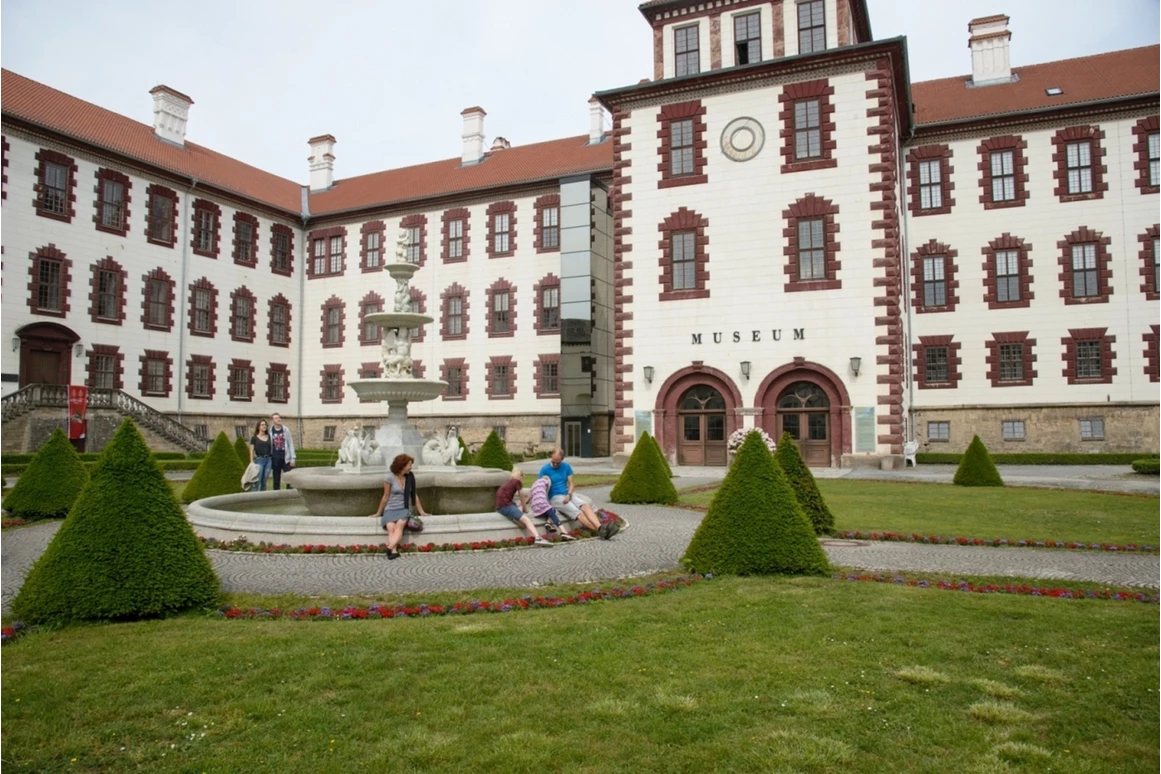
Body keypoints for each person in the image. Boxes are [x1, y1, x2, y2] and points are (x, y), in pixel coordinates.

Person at [372, 454, 430, 560]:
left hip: (404, 509)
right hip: (390, 509)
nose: (411, 467)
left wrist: (421, 512)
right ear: (402, 465)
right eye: (409, 465)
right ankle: (393, 551)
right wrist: (378, 513)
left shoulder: (410, 477)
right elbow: (385, 496)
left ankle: (389, 547)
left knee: (399, 526)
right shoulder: (389, 477)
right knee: (391, 528)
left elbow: (414, 496)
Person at [538, 448, 604, 534]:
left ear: (562, 459)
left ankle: (600, 526)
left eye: (557, 463)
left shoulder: (566, 467)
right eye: (553, 461)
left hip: (567, 493)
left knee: (585, 506)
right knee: (578, 513)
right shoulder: (545, 469)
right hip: (555, 497)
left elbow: (571, 484)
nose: (554, 464)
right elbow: (538, 487)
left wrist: (569, 495)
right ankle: (600, 531)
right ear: (551, 457)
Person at [495, 470, 553, 547]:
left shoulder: (508, 482)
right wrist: (525, 509)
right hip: (506, 506)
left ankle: (515, 517)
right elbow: (522, 496)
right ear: (520, 476)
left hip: (500, 506)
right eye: (523, 478)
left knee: (521, 516)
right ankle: (538, 538)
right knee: (527, 520)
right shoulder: (517, 481)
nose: (522, 480)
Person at [527, 475, 576, 541]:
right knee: (552, 512)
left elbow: (528, 498)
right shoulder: (546, 481)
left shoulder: (534, 485)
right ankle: (563, 531)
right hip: (542, 504)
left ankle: (548, 523)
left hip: (535, 509)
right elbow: (547, 493)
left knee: (549, 510)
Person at [269, 413, 296, 490]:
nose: (278, 419)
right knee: (276, 478)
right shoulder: (270, 431)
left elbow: (290, 443)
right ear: (272, 420)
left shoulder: (285, 429)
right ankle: (276, 495)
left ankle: (289, 494)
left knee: (289, 477)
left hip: (285, 458)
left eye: (279, 417)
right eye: (276, 418)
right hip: (275, 458)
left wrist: (293, 458)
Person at [249, 419, 272, 491]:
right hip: (259, 461)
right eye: (262, 425)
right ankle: (253, 498)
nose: (264, 426)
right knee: (257, 481)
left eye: (265, 425)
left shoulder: (269, 437)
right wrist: (251, 461)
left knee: (264, 481)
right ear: (258, 427)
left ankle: (263, 499)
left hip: (268, 460)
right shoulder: (254, 438)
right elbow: (251, 450)